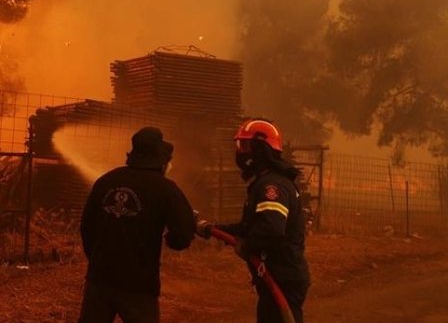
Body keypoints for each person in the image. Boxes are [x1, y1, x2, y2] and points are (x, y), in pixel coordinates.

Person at [196, 119, 310, 323]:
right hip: (277, 275)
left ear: (260, 149)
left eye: (245, 146)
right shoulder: (266, 181)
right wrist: (214, 229)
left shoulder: (272, 186)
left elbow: (271, 228)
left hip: (282, 277)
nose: (240, 152)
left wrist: (246, 246)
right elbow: (250, 227)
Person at [78, 126, 196, 323]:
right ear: (161, 160)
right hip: (139, 284)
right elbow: (182, 236)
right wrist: (170, 239)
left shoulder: (105, 181)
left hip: (100, 279)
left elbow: (86, 227)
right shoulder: (166, 189)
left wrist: (98, 258)